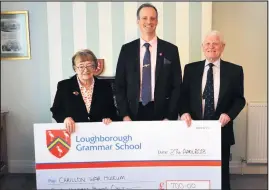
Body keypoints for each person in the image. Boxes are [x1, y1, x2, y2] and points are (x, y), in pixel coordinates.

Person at [179, 30, 246, 190]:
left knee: (220, 173)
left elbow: (239, 99)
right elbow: (183, 97)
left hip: (221, 131)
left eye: (215, 43)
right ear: (203, 47)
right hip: (194, 129)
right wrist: (184, 112)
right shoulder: (190, 69)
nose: (211, 47)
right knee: (195, 171)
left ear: (222, 47)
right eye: (208, 43)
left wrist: (229, 114)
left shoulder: (235, 71)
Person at [115, 3, 182, 121]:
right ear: (138, 21)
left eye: (152, 18)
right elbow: (119, 85)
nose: (149, 21)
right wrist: (124, 115)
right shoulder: (127, 50)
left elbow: (176, 86)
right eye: (144, 18)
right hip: (133, 114)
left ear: (157, 21)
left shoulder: (171, 50)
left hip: (161, 114)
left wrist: (169, 116)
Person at [50, 49, 118, 133]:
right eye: (81, 66)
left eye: (89, 65)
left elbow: (111, 109)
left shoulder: (105, 86)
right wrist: (65, 118)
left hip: (100, 134)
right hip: (74, 134)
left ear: (95, 67)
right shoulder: (64, 86)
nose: (86, 70)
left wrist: (108, 117)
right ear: (75, 68)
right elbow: (56, 110)